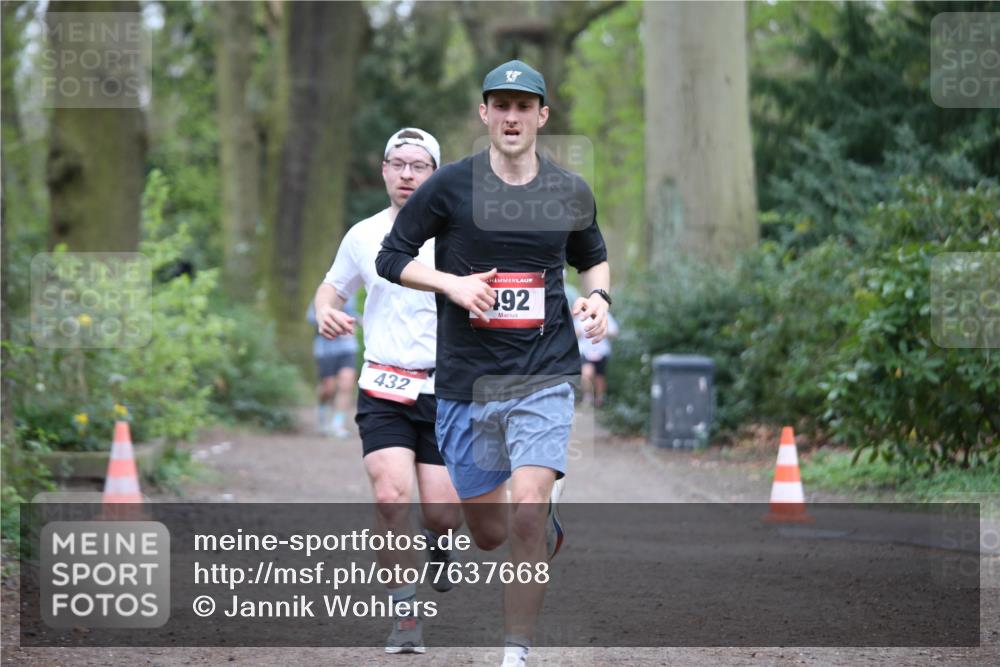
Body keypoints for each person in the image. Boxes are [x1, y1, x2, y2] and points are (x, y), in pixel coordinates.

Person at [376, 61, 611, 667]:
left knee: (528, 510)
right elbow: (391, 255)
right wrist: (451, 285)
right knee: (489, 532)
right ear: (484, 113)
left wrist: (599, 300)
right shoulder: (449, 186)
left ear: (542, 116)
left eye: (523, 106)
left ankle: (516, 653)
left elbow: (594, 257)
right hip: (466, 383)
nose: (511, 117)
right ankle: (525, 524)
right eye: (500, 105)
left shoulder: (569, 190)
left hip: (544, 373)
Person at [314, 128, 462, 655]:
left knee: (442, 511)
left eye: (418, 166)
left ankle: (442, 542)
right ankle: (404, 613)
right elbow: (332, 287)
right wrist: (326, 310)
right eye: (397, 164)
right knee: (389, 495)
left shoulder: (458, 236)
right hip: (383, 385)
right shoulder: (363, 235)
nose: (406, 175)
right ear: (383, 170)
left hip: (447, 391)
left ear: (435, 174)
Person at [306, 295, 358, 437]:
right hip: (325, 350)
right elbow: (312, 319)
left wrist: (358, 320)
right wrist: (334, 322)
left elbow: (353, 315)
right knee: (328, 388)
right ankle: (321, 411)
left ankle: (337, 424)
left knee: (346, 384)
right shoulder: (320, 298)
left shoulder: (351, 297)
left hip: (347, 348)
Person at [576, 309, 619, 407]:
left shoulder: (605, 315)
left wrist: (601, 331)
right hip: (585, 351)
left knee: (599, 377)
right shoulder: (582, 316)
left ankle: (599, 400)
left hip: (601, 351)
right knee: (586, 373)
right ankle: (588, 397)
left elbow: (615, 331)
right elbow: (574, 331)